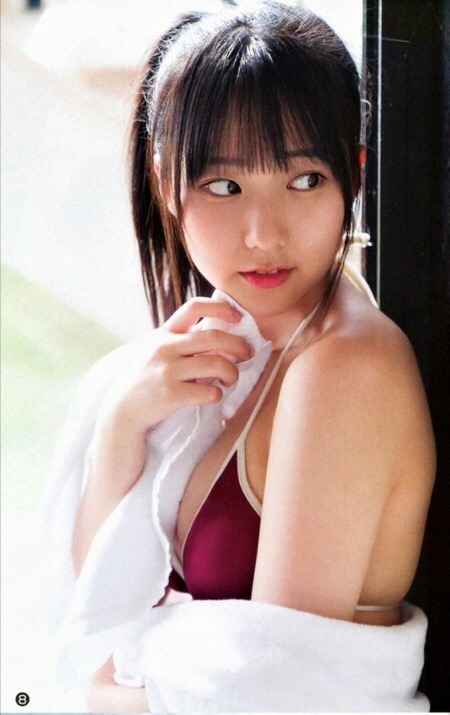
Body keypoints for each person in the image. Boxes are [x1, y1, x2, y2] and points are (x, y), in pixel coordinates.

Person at [44, 2, 436, 712]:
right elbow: (89, 612)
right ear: (167, 184)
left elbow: (269, 692)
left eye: (304, 180)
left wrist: (108, 692)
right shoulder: (218, 348)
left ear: (353, 173)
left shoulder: (347, 367)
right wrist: (122, 424)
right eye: (224, 186)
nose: (264, 234)